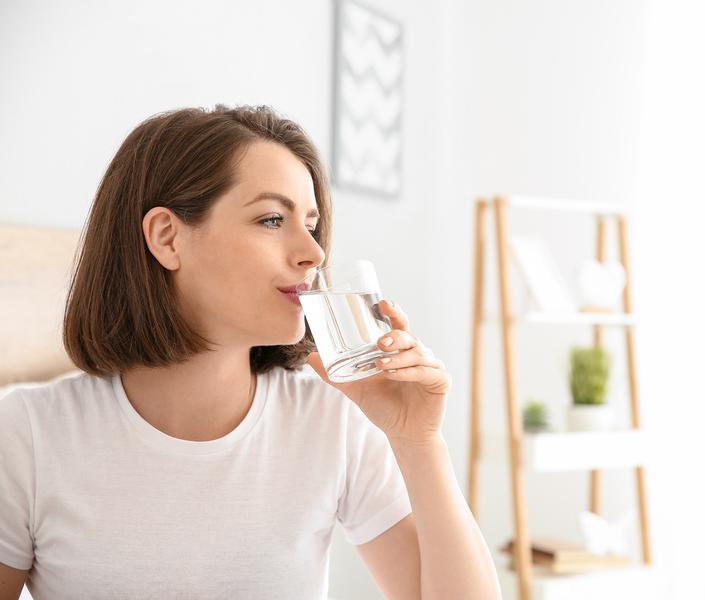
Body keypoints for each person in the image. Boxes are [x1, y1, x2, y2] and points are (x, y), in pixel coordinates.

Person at [0, 104, 501, 599]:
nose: (315, 252)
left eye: (311, 222)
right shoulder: (28, 435)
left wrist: (418, 441)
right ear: (166, 237)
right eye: (270, 219)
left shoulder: (331, 420)